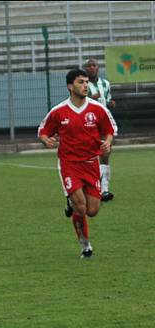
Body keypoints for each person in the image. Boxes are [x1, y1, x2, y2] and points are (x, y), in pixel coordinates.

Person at [38, 69, 117, 258]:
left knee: (93, 211)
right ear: (70, 86)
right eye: (81, 82)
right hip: (69, 164)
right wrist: (45, 140)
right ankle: (86, 246)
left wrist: (107, 142)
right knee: (81, 208)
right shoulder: (58, 111)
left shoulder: (97, 109)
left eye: (86, 82)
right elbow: (43, 130)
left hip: (91, 164)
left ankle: (71, 202)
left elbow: (110, 129)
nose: (85, 86)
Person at [85, 58, 116, 202]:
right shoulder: (83, 85)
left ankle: (104, 190)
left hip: (104, 122)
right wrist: (90, 98)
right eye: (89, 66)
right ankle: (91, 187)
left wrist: (110, 103)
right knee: (89, 156)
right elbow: (79, 102)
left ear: (98, 68)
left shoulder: (106, 84)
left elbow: (107, 100)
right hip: (89, 123)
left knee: (105, 153)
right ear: (85, 69)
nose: (91, 68)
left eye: (94, 65)